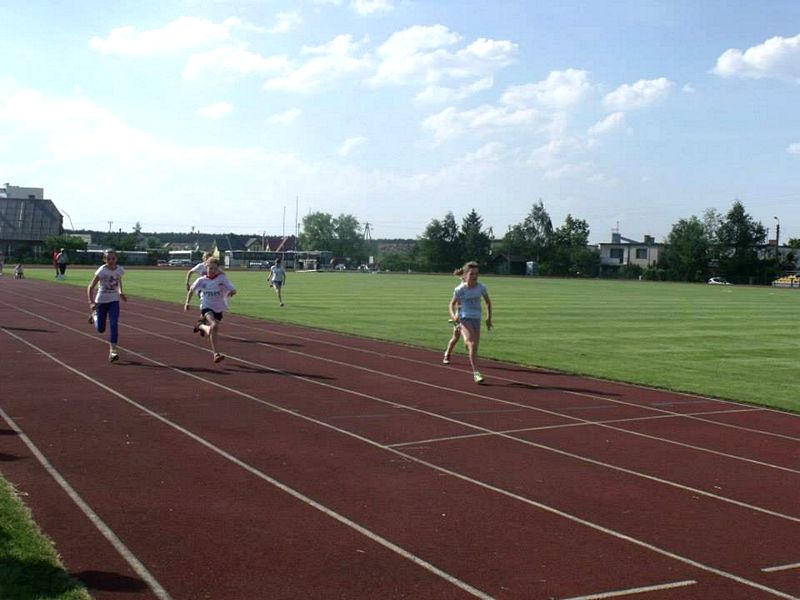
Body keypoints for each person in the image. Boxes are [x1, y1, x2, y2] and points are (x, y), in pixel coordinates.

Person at [447, 261, 493, 384]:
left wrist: (488, 319)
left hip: (476, 318)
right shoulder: (460, 289)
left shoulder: (481, 287)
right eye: (472, 274)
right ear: (466, 275)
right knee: (472, 343)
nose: (475, 276)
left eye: (476, 274)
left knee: (474, 345)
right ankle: (476, 372)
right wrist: (453, 316)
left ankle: (466, 342)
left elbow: (488, 302)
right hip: (464, 317)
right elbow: (451, 304)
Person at [184, 257, 236, 363]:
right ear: (206, 268)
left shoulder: (222, 279)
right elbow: (191, 290)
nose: (211, 271)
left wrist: (232, 292)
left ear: (217, 269)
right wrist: (187, 303)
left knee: (213, 329)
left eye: (214, 269)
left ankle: (201, 326)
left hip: (219, 307)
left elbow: (233, 289)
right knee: (214, 325)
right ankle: (216, 354)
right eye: (209, 268)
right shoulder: (201, 280)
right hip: (206, 306)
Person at [87, 249, 127, 362]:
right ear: (104, 259)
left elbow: (119, 281)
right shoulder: (102, 271)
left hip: (114, 301)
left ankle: (113, 351)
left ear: (116, 259)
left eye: (113, 258)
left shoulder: (119, 269)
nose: (111, 261)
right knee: (101, 329)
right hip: (101, 301)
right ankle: (95, 315)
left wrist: (120, 292)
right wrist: (91, 302)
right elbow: (90, 287)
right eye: (108, 259)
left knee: (114, 324)